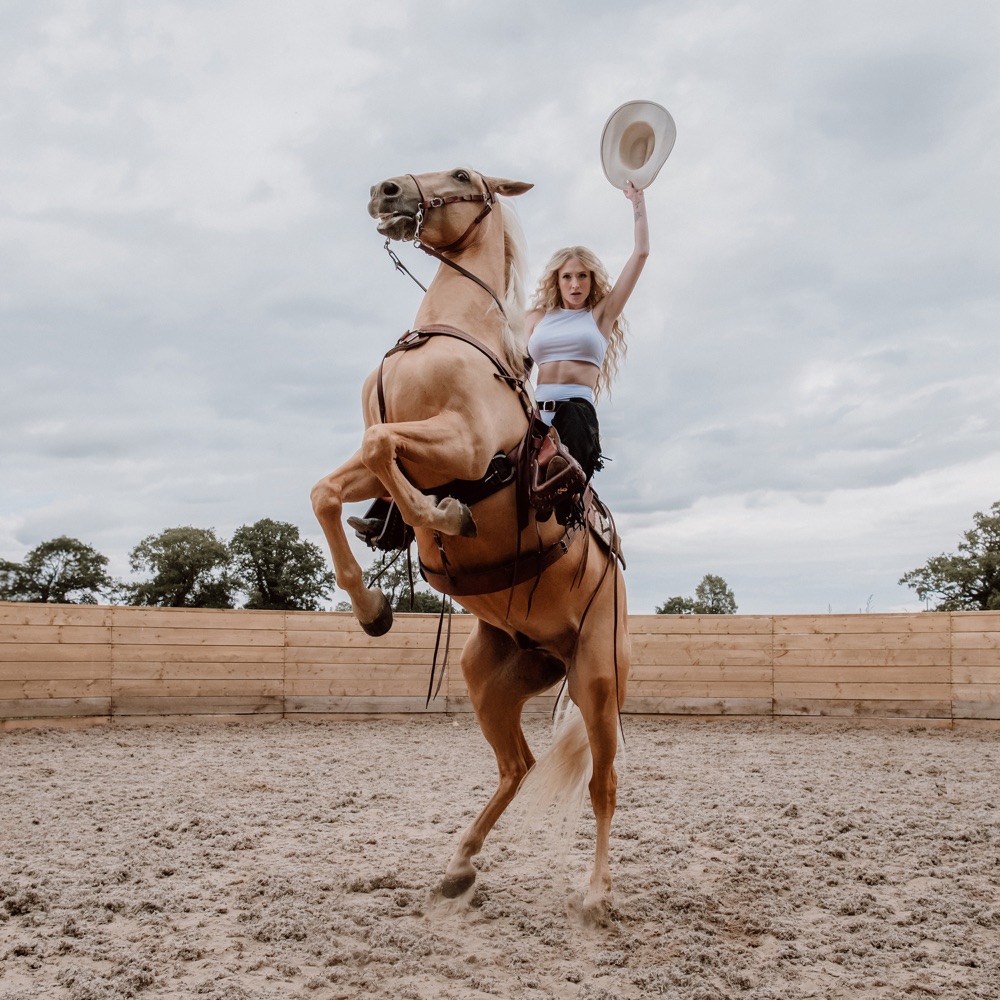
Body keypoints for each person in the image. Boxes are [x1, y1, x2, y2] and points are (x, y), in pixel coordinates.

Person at [526, 180, 649, 483]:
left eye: (582, 276)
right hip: (534, 416)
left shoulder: (600, 316)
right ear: (557, 281)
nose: (575, 284)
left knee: (562, 480)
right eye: (567, 277)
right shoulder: (535, 318)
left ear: (592, 279)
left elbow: (641, 253)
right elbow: (511, 366)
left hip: (576, 418)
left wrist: (637, 202)